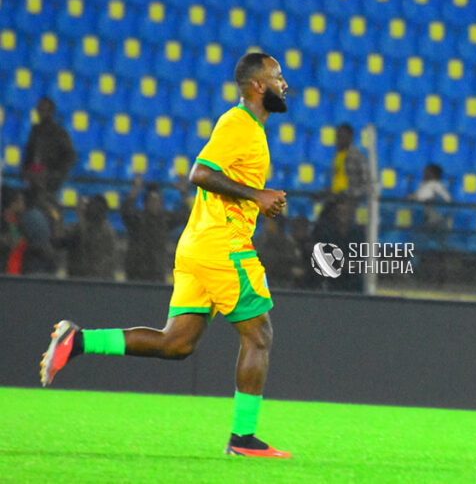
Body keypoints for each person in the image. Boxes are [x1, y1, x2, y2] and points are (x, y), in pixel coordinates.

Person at [40, 52, 292, 458]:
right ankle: (243, 439)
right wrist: (258, 195)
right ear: (258, 85)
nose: (285, 84)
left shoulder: (250, 128)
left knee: (176, 343)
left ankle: (79, 340)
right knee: (259, 336)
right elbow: (200, 173)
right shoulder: (239, 124)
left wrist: (256, 199)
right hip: (222, 246)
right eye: (278, 77)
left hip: (198, 245)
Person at [121, 175, 191, 283]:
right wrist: (135, 191)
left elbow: (184, 216)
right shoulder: (138, 219)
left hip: (156, 271)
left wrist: (184, 194)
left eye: (158, 201)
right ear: (145, 203)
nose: (155, 204)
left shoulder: (164, 220)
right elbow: (126, 211)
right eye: (152, 201)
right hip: (136, 270)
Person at [22, 97, 76, 195]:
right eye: (38, 109)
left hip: (49, 181)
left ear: (51, 112)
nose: (39, 112)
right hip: (33, 178)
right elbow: (29, 152)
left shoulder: (59, 132)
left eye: (43, 110)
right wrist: (26, 171)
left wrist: (54, 173)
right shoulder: (35, 130)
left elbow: (70, 156)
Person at [312, 195, 365, 292]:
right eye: (340, 208)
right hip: (330, 284)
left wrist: (351, 265)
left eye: (347, 208)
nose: (343, 210)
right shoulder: (324, 232)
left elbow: (364, 260)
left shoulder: (359, 233)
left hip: (354, 285)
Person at [58, 195, 117, 280]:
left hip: (84, 280)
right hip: (102, 280)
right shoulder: (109, 230)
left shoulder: (81, 229)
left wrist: (80, 216)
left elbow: (60, 241)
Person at [253, 215, 303, 288]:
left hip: (285, 286)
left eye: (267, 222)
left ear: (276, 223)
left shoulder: (288, 244)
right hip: (262, 285)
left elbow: (297, 268)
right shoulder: (258, 241)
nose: (264, 225)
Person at [329, 123, 369, 199]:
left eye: (342, 137)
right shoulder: (337, 156)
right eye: (337, 137)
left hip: (350, 199)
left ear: (350, 138)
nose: (338, 140)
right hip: (335, 197)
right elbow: (335, 183)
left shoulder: (358, 157)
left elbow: (367, 186)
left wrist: (350, 193)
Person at [0, 187, 27, 274]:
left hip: (17, 273)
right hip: (6, 273)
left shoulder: (18, 224)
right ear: (13, 204)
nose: (23, 205)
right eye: (21, 201)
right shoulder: (3, 224)